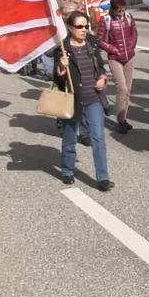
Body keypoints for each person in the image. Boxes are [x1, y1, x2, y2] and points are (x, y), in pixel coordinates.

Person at [54, 11, 114, 191]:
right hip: (73, 99)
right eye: (79, 27)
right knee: (70, 137)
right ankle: (67, 170)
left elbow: (101, 67)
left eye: (86, 26)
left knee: (98, 137)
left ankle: (102, 177)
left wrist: (103, 78)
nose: (83, 30)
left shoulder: (92, 44)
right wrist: (61, 67)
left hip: (93, 97)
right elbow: (57, 81)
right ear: (70, 28)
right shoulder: (63, 49)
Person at [96, 0, 138, 134]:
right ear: (112, 9)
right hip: (115, 58)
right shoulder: (106, 20)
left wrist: (131, 46)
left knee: (128, 90)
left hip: (129, 57)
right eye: (118, 10)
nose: (121, 12)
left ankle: (124, 118)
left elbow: (134, 34)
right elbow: (100, 40)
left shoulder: (128, 17)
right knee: (122, 89)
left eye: (123, 9)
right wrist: (113, 49)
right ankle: (120, 121)